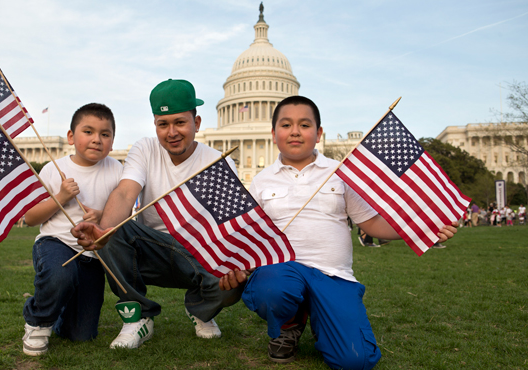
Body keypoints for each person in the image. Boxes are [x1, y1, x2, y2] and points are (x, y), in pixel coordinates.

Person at [219, 96, 458, 369]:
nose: (295, 131)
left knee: (355, 360)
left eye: (305, 124)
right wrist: (234, 266)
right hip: (283, 271)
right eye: (286, 125)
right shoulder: (261, 180)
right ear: (273, 134)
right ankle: (289, 323)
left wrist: (418, 228)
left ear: (319, 133)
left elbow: (371, 223)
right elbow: (249, 236)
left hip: (333, 276)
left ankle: (323, 317)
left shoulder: (340, 173)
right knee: (273, 288)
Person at [72, 79, 243, 349]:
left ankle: (199, 309)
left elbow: (231, 224)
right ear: (155, 125)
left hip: (198, 255)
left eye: (180, 122)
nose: (171, 132)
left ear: (196, 123)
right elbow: (126, 193)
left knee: (237, 280)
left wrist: (239, 263)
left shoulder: (218, 162)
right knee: (112, 229)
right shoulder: (146, 148)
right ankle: (138, 318)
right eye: (163, 124)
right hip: (152, 250)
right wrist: (103, 232)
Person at [22, 103, 123, 356]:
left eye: (105, 134)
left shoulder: (117, 170)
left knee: (80, 335)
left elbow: (126, 212)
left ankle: (58, 316)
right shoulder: (53, 169)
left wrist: (102, 215)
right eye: (88, 132)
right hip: (55, 243)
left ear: (112, 141)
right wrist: (61, 196)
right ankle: (37, 321)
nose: (96, 140)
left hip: (92, 254)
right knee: (60, 275)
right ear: (71, 137)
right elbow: (30, 217)